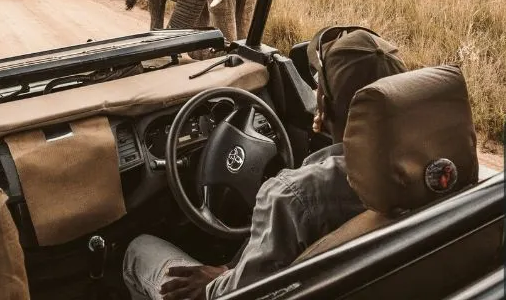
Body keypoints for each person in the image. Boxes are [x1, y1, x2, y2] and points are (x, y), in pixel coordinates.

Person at [122, 27, 408, 300]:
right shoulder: (430, 166)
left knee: (138, 249)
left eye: (318, 84)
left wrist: (213, 285)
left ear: (323, 105)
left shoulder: (294, 195)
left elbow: (240, 293)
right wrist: (229, 270)